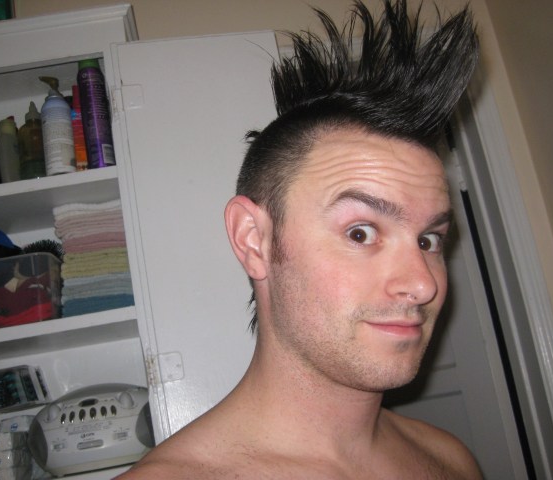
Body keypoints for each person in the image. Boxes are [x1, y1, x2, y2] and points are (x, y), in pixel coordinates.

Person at [119, 1, 482, 478]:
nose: (423, 285)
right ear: (254, 241)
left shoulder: (450, 461)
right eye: (360, 232)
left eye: (429, 240)